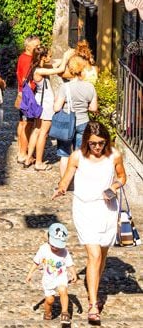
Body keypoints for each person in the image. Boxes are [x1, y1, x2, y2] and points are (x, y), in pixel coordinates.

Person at [52, 121, 127, 326]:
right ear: (86, 141)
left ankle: (93, 285)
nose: (97, 147)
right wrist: (60, 188)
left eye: (101, 143)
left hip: (107, 208)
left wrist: (113, 186)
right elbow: (66, 179)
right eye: (93, 143)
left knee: (101, 255)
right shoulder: (77, 156)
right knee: (93, 255)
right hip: (84, 209)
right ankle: (94, 304)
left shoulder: (114, 155)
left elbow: (122, 177)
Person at [24, 45, 73, 171]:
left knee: (36, 130)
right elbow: (59, 69)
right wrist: (66, 56)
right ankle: (39, 162)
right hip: (45, 104)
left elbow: (55, 67)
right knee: (43, 134)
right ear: (43, 57)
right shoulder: (39, 71)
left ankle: (29, 158)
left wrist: (60, 62)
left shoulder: (37, 67)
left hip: (39, 103)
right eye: (49, 56)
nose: (51, 58)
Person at [54, 55, 98, 177]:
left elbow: (57, 108)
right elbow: (94, 108)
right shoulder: (90, 87)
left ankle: (65, 183)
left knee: (64, 154)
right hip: (83, 122)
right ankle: (79, 181)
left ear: (70, 69)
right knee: (80, 153)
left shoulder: (65, 87)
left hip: (67, 124)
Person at [25, 221, 76, 326]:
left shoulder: (64, 252)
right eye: (53, 245)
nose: (55, 248)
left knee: (63, 290)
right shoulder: (43, 249)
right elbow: (36, 262)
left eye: (58, 245)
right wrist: (30, 273)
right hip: (48, 279)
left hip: (61, 276)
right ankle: (47, 312)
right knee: (49, 300)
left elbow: (69, 264)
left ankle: (65, 313)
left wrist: (74, 274)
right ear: (48, 238)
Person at [16, 34, 41, 164]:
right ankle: (22, 153)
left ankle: (21, 150)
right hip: (28, 96)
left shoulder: (23, 57)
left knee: (22, 123)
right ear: (28, 46)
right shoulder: (27, 59)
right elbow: (26, 79)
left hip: (23, 94)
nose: (39, 48)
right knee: (27, 124)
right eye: (36, 46)